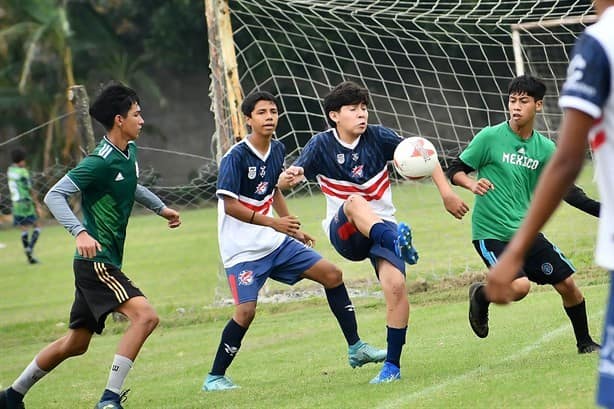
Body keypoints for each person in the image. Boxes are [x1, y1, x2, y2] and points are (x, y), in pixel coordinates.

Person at [0, 83, 181, 409]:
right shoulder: (99, 161)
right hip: (96, 262)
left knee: (76, 342)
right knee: (146, 317)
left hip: (99, 262)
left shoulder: (129, 152)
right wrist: (80, 232)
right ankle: (109, 399)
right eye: (136, 114)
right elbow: (53, 195)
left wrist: (160, 207)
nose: (142, 120)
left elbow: (131, 185)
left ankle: (11, 396)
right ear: (118, 120)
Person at [279, 81, 469, 384]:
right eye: (352, 109)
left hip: (382, 224)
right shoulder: (321, 145)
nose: (361, 114)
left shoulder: (378, 137)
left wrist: (446, 193)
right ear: (334, 116)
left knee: (395, 286)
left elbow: (423, 153)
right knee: (355, 202)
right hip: (345, 232)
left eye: (364, 108)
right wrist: (291, 175)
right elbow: (290, 178)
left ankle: (392, 366)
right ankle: (396, 241)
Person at [202, 90, 386, 392]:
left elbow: (274, 190)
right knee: (245, 312)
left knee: (332, 274)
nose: (269, 117)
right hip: (241, 250)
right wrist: (275, 222)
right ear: (248, 119)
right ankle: (215, 376)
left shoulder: (277, 149)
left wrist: (291, 228)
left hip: (275, 241)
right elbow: (231, 206)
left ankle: (356, 348)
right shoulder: (235, 157)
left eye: (273, 112)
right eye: (262, 112)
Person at [484, 2, 614, 407]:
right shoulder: (491, 138)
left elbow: (566, 165)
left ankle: (584, 342)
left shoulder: (601, 42)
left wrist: (516, 251)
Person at [446, 74, 601, 354]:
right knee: (519, 288)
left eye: (523, 101)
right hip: (491, 233)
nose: (516, 107)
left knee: (567, 284)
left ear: (538, 106)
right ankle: (481, 295)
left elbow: (569, 193)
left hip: (526, 232)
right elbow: (454, 168)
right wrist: (471, 183)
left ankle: (585, 343)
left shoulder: (545, 149)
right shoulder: (490, 137)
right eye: (512, 101)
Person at [7, 148, 42, 264]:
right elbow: (30, 189)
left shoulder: (10, 171)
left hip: (16, 204)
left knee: (24, 229)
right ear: (21, 160)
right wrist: (37, 205)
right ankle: (30, 248)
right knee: (37, 226)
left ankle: (29, 257)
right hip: (26, 203)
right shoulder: (23, 172)